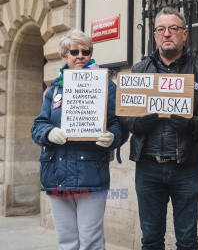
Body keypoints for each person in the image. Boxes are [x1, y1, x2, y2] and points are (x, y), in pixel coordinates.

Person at [119, 7, 198, 250]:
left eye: (173, 29)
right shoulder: (138, 71)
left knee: (188, 240)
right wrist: (139, 123)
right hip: (148, 166)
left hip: (186, 167)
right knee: (150, 240)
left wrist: (194, 124)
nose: (167, 34)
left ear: (185, 34)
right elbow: (125, 115)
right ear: (155, 35)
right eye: (161, 29)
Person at [31, 29, 127, 250]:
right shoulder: (54, 89)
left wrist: (113, 137)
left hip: (90, 173)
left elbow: (118, 124)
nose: (81, 56)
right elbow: (38, 125)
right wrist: (48, 133)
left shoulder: (107, 86)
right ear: (64, 57)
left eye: (86, 51)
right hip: (57, 173)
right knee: (67, 241)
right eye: (74, 52)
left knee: (91, 240)